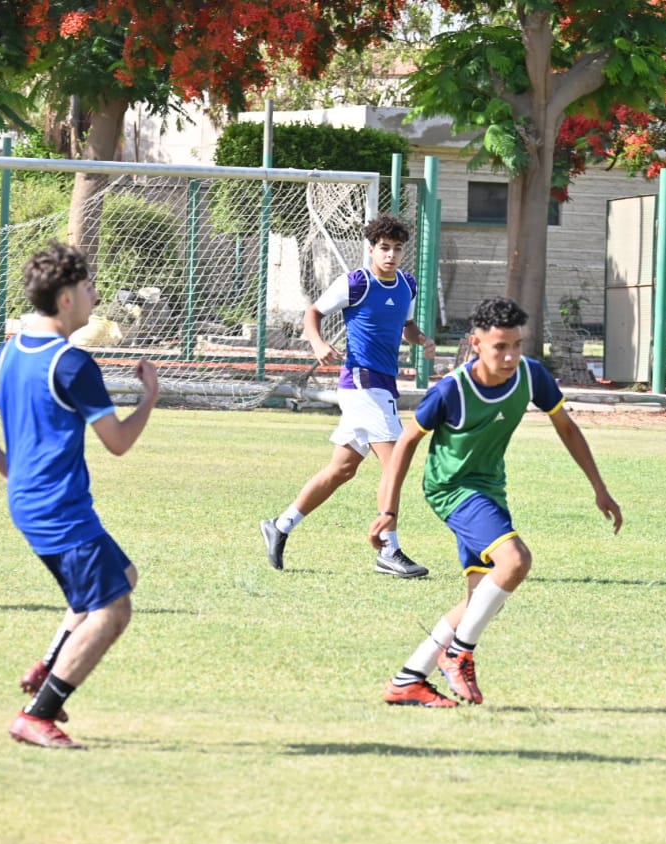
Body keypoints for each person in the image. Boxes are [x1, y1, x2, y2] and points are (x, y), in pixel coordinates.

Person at [369, 296, 623, 707]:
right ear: (476, 343)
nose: (509, 356)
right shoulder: (452, 390)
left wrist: (600, 487)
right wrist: (388, 511)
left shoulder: (531, 375)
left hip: (490, 490)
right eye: (499, 347)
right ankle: (458, 655)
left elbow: (567, 427)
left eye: (516, 345)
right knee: (515, 561)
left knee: (482, 600)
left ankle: (408, 680)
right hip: (452, 489)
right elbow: (406, 442)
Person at [0, 242, 160, 749]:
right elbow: (118, 442)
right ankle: (37, 714)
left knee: (123, 577)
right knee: (113, 611)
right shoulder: (72, 364)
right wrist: (150, 397)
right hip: (60, 511)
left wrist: (14, 474)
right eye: (89, 288)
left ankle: (50, 664)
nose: (96, 297)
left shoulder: (8, 353)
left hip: (33, 503)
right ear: (67, 299)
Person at [260, 214, 436, 579]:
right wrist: (317, 342)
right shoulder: (356, 283)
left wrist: (421, 339)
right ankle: (388, 550)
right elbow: (313, 313)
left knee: (342, 469)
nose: (390, 255)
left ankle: (280, 524)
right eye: (384, 248)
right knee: (394, 464)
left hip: (382, 384)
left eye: (397, 249)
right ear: (370, 249)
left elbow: (405, 326)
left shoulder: (407, 284)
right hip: (363, 382)